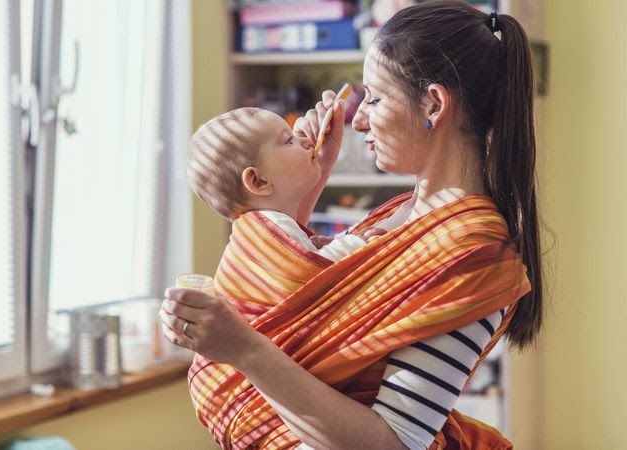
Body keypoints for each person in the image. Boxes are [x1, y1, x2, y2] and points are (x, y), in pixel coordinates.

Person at [160, 1, 543, 448]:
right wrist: (301, 195)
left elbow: (394, 442)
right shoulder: (405, 211)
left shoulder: (472, 253)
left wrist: (244, 350)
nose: (357, 119)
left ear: (434, 104)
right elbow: (310, 312)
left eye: (376, 99)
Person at [187, 107, 386, 264]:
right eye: (289, 140)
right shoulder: (272, 228)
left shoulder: (263, 228)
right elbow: (309, 272)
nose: (306, 141)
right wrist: (355, 244)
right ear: (259, 182)